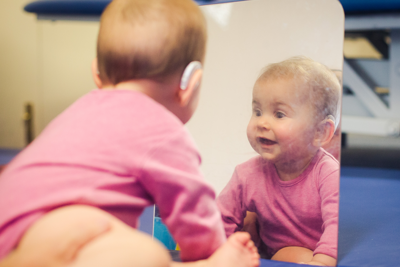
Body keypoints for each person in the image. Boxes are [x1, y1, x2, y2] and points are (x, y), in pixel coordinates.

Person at [0, 0, 260, 266]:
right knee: (146, 253)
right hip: (56, 240)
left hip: (11, 241)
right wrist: (214, 254)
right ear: (190, 84)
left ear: (97, 74)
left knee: (97, 227)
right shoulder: (163, 130)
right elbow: (194, 210)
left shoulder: (76, 112)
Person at [217, 57, 340, 266]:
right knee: (246, 224)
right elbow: (220, 218)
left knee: (292, 254)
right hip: (269, 251)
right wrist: (224, 250)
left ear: (320, 132)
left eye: (279, 114)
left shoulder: (327, 173)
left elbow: (336, 225)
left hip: (310, 252)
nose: (262, 122)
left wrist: (323, 260)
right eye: (257, 111)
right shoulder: (246, 174)